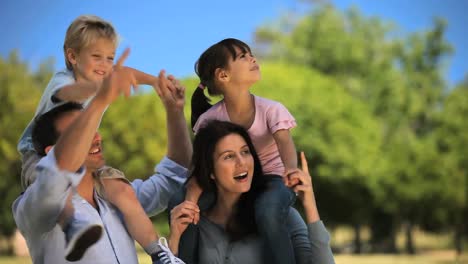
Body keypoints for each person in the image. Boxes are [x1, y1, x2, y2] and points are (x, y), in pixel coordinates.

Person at [12, 48, 190, 264]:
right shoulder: (37, 210)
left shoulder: (117, 194)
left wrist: (174, 111)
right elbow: (49, 183)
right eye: (81, 133)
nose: (96, 138)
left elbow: (173, 177)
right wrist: (100, 101)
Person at [186, 38, 299, 263]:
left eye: (251, 54)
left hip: (272, 178)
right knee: (180, 203)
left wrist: (291, 171)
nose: (253, 58)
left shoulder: (271, 109)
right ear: (223, 75)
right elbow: (201, 165)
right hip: (227, 183)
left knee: (267, 210)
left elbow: (285, 143)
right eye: (243, 56)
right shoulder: (210, 120)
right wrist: (189, 201)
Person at [168, 120, 335, 264]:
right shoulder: (198, 223)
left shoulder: (281, 216)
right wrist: (174, 239)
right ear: (210, 170)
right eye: (228, 156)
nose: (242, 162)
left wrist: (310, 203)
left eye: (245, 152)